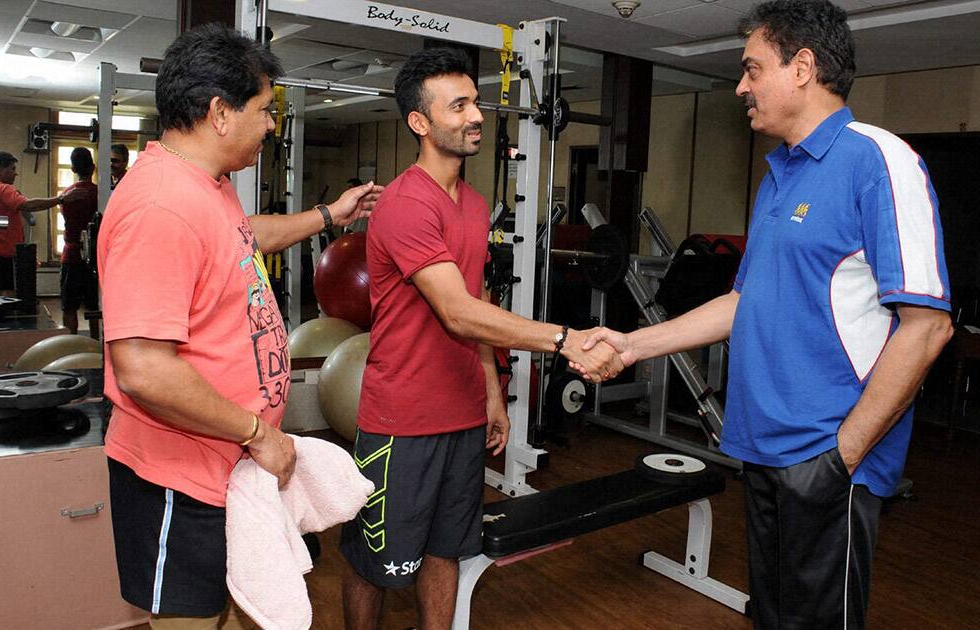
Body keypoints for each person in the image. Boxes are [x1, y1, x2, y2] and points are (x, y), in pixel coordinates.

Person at [578, 1, 953, 627]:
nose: (742, 86)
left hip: (829, 457)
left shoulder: (879, 162)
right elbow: (744, 303)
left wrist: (841, 458)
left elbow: (929, 324)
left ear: (803, 66)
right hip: (762, 446)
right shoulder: (778, 176)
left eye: (753, 69)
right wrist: (633, 344)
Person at [98, 23, 381, 628]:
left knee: (223, 613)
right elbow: (143, 369)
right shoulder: (159, 207)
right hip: (178, 473)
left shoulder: (204, 187)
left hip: (221, 468)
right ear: (220, 112)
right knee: (190, 621)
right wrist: (258, 432)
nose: (272, 125)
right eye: (263, 110)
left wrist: (329, 214)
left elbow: (242, 238)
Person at [340, 47, 621, 630]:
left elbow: (478, 301)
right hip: (403, 423)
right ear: (420, 122)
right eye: (459, 105)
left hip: (461, 416)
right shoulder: (405, 202)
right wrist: (565, 339)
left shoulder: (469, 204)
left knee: (447, 551)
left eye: (476, 103)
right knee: (377, 564)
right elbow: (457, 313)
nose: (476, 116)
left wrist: (491, 391)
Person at [0, 151, 87, 296]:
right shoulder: (2, 188)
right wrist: (61, 199)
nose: (15, 173)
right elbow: (28, 205)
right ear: (0, 168)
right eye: (12, 169)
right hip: (0, 256)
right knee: (4, 302)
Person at [59, 147, 99, 336]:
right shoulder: (101, 195)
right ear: (93, 168)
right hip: (94, 257)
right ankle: (94, 343)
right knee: (94, 305)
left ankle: (70, 344)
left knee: (69, 306)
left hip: (72, 255)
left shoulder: (66, 195)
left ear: (73, 170)